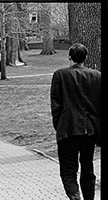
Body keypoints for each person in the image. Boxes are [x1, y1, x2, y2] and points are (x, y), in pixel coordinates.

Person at [50, 43, 101, 200]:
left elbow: (56, 105)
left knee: (68, 170)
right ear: (85, 58)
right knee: (88, 168)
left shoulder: (60, 75)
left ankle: (75, 197)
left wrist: (59, 126)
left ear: (69, 57)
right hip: (89, 130)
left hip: (68, 129)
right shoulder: (96, 76)